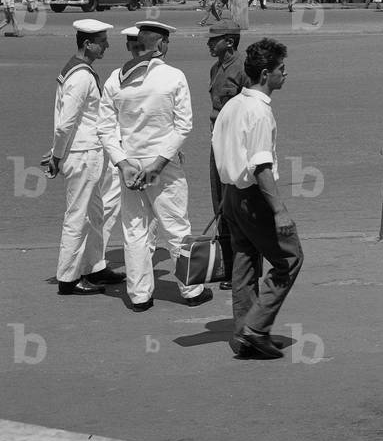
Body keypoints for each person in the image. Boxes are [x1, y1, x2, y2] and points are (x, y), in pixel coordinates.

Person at [97, 21, 210, 311]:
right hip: (163, 163)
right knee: (176, 227)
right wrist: (160, 163)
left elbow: (105, 129)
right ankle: (191, 290)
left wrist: (122, 164)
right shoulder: (173, 76)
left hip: (130, 164)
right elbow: (184, 126)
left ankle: (139, 296)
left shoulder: (115, 79)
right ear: (160, 45)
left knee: (135, 230)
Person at [214, 38, 303, 360]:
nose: (285, 74)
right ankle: (256, 327)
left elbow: (220, 153)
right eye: (281, 69)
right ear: (266, 74)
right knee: (289, 259)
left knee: (245, 262)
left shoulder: (233, 105)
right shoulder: (259, 111)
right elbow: (261, 165)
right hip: (253, 197)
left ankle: (244, 334)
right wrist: (279, 211)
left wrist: (226, 196)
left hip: (232, 194)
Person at [43, 19, 125, 295]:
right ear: (87, 44)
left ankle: (94, 265)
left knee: (95, 213)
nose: (106, 46)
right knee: (77, 215)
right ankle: (68, 277)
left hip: (86, 150)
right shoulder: (80, 76)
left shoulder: (78, 70)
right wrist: (57, 155)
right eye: (102, 42)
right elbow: (66, 122)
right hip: (84, 153)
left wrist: (59, 150)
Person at [207, 21, 248, 292]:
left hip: (235, 145)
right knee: (219, 203)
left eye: (215, 40)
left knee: (237, 205)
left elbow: (250, 109)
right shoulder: (215, 68)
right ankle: (228, 266)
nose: (209, 44)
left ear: (229, 42)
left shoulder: (243, 69)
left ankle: (243, 270)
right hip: (217, 142)